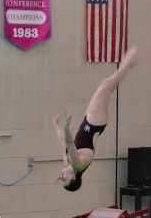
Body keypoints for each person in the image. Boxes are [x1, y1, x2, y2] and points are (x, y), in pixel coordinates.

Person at [53, 45, 138, 192]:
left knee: (107, 87)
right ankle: (128, 63)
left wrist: (56, 125)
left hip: (89, 121)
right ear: (73, 178)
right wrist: (67, 126)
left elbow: (62, 140)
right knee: (106, 86)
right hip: (95, 124)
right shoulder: (77, 164)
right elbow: (69, 142)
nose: (62, 177)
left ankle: (127, 64)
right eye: (65, 180)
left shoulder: (67, 162)